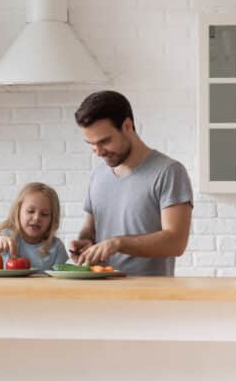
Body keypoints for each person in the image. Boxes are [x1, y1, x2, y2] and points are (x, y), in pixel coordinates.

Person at [70, 90, 193, 276]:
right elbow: (90, 229)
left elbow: (176, 242)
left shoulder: (169, 172)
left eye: (104, 141)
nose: (98, 151)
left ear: (127, 126)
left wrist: (118, 243)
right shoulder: (99, 175)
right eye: (91, 144)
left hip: (149, 298)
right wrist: (85, 242)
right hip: (100, 295)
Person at [0, 182, 68, 270]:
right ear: (18, 212)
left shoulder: (57, 247)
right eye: (30, 211)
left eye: (44, 214)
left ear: (52, 219)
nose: (36, 218)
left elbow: (60, 279)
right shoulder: (8, 237)